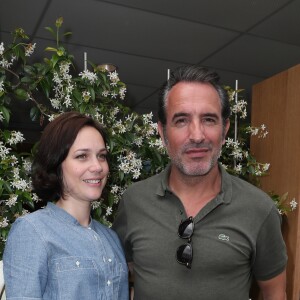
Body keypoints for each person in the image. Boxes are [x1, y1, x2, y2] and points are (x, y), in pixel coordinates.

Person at [112, 65, 287, 300]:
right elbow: (119, 275)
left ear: (225, 130)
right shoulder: (133, 202)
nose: (197, 135)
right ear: (162, 133)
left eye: (209, 119)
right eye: (182, 120)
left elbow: (275, 293)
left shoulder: (259, 209)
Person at [3, 111, 129, 300]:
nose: (97, 166)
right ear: (56, 164)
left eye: (101, 156)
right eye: (82, 156)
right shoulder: (32, 231)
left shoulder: (111, 239)